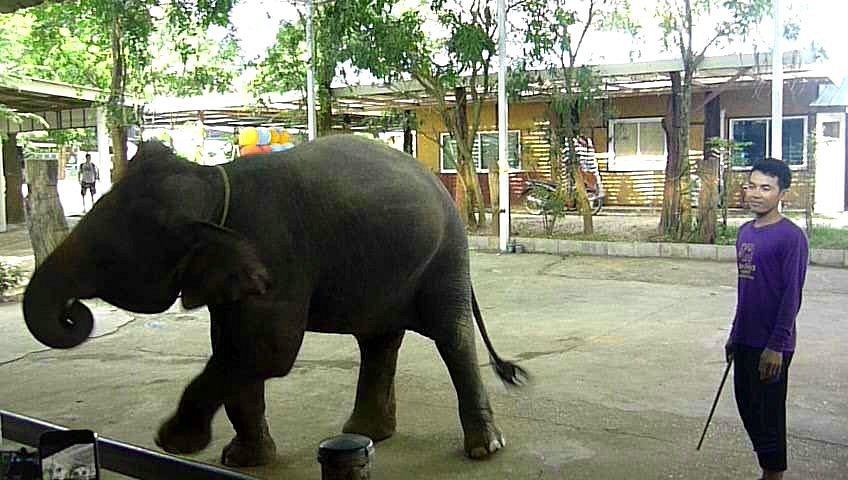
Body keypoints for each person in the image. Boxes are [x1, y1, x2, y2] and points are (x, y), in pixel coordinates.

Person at [726, 158, 808, 480]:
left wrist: (776, 345)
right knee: (747, 405)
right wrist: (734, 334)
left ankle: (773, 475)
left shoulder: (791, 237)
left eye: (766, 188)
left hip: (772, 344)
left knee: (769, 414)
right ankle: (768, 468)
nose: (756, 194)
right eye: (752, 186)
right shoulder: (745, 232)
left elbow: (792, 296)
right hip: (745, 338)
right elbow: (744, 291)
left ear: (781, 193)